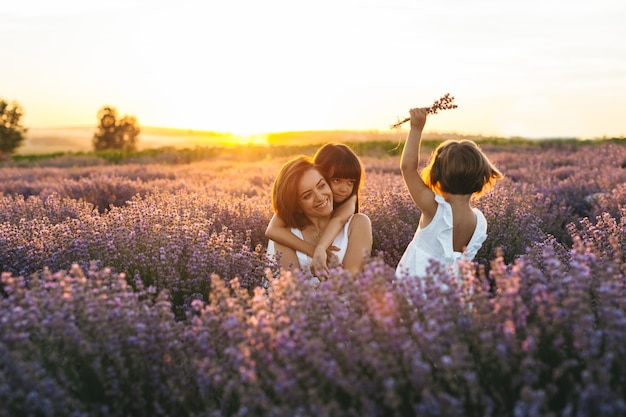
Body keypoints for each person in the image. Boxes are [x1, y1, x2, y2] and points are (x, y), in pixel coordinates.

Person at [395, 107, 503, 282]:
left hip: (418, 292)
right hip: (453, 297)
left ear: (437, 175)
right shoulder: (479, 222)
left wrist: (416, 128)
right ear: (481, 176)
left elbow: (407, 167)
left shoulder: (434, 209)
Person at [266, 143, 365, 276]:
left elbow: (352, 280)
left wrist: (320, 249)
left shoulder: (355, 221)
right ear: (296, 205)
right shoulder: (286, 233)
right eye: (307, 195)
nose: (344, 189)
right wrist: (314, 251)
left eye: (321, 185)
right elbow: (272, 230)